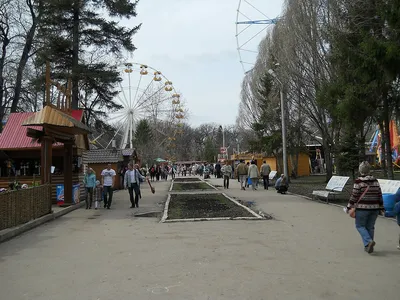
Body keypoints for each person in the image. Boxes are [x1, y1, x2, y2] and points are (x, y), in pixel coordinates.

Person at [345, 161, 384, 254]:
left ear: (360, 170)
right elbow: (380, 195)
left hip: (362, 208)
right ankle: (368, 247)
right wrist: (381, 207)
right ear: (369, 170)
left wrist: (348, 207)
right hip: (374, 208)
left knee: (360, 226)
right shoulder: (375, 181)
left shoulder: (359, 181)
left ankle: (368, 241)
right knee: (370, 227)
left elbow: (354, 196)